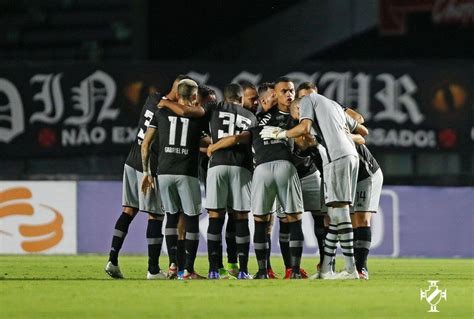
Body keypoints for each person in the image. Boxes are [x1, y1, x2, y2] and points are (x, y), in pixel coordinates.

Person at [260, 92, 361, 280]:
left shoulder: (306, 101)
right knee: (336, 215)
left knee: (341, 213)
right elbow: (362, 130)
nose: (298, 121)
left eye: (296, 117)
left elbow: (304, 127)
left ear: (298, 109)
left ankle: (350, 268)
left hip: (337, 158)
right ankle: (325, 269)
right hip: (350, 156)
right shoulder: (334, 106)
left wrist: (281, 133)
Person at [104, 77, 191, 279]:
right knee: (156, 215)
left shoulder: (152, 98)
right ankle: (153, 269)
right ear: (179, 93)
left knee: (128, 210)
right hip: (148, 165)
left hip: (131, 160)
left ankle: (112, 259)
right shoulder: (169, 111)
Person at [142, 79, 206, 280]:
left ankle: (172, 266)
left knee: (170, 216)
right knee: (191, 218)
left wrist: (146, 172)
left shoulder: (160, 112)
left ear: (178, 94)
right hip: (186, 172)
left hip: (165, 171)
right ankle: (187, 270)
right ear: (194, 96)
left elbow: (145, 145)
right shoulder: (198, 115)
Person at [205, 83, 257, 280]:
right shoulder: (250, 116)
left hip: (217, 165)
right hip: (241, 167)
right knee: (241, 217)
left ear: (225, 97)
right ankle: (243, 270)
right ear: (241, 98)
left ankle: (213, 270)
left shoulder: (215, 108)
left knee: (215, 217)